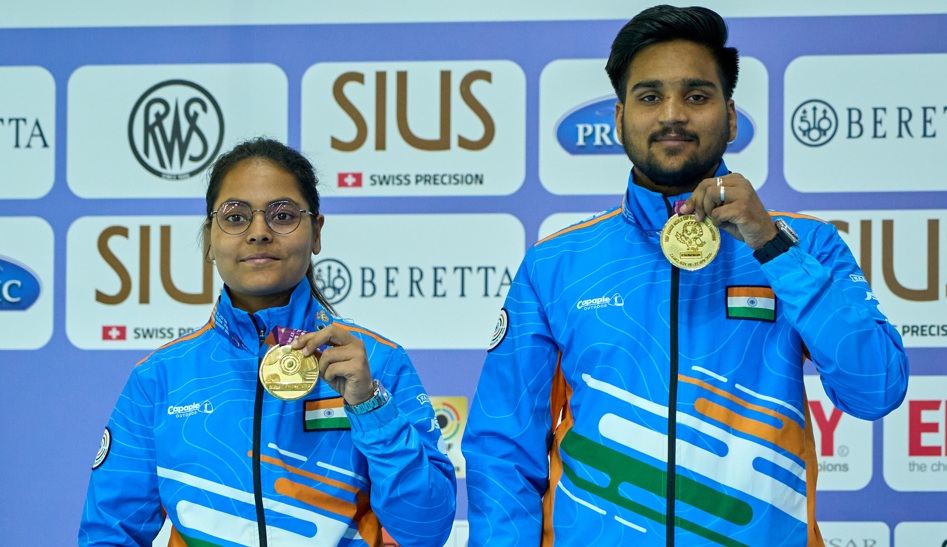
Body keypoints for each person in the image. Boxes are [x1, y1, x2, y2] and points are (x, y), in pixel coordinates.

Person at [462, 5, 908, 547]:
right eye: (650, 97)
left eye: (696, 96)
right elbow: (503, 449)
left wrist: (771, 247)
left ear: (731, 116)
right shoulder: (555, 263)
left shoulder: (803, 244)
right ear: (619, 118)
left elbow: (876, 389)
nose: (672, 115)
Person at [80, 138, 456, 546]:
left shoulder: (377, 363)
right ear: (209, 238)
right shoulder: (160, 378)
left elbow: (427, 530)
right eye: (236, 216)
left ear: (316, 232)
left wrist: (369, 406)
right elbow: (108, 535)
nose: (259, 232)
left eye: (283, 215)